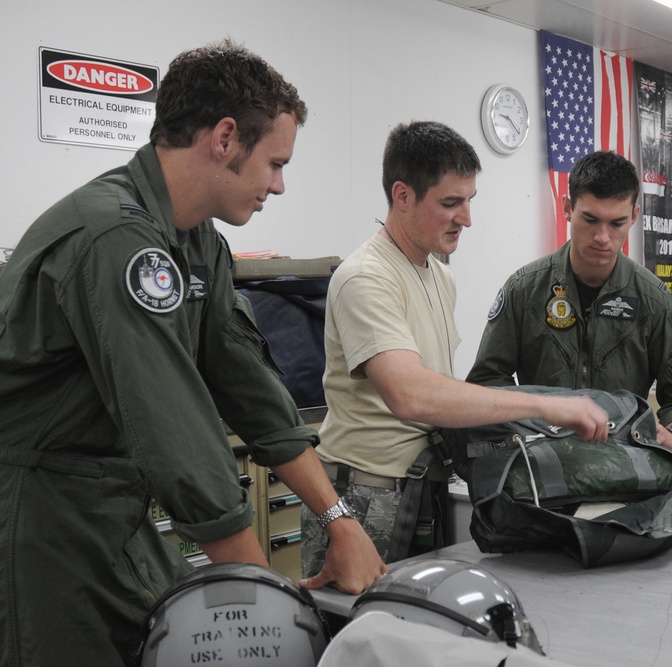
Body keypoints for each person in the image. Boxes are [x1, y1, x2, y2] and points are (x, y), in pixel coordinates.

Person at [0, 40, 386, 667]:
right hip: (38, 518)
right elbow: (174, 432)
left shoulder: (195, 240)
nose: (280, 186)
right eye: (276, 163)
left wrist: (339, 519)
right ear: (225, 138)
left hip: (110, 513)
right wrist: (271, 615)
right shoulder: (118, 238)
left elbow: (251, 390)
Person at [301, 121, 610, 571]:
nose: (466, 218)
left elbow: (440, 388)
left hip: (424, 488)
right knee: (361, 635)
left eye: (469, 201)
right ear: (403, 195)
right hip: (366, 499)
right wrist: (543, 407)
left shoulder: (438, 275)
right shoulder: (366, 277)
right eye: (450, 203)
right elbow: (410, 395)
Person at [466, 150, 672, 467]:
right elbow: (487, 382)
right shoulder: (524, 290)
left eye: (617, 223)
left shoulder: (653, 300)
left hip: (624, 466)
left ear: (634, 216)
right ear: (568, 209)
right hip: (544, 465)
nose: (602, 237)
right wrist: (531, 417)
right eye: (590, 220)